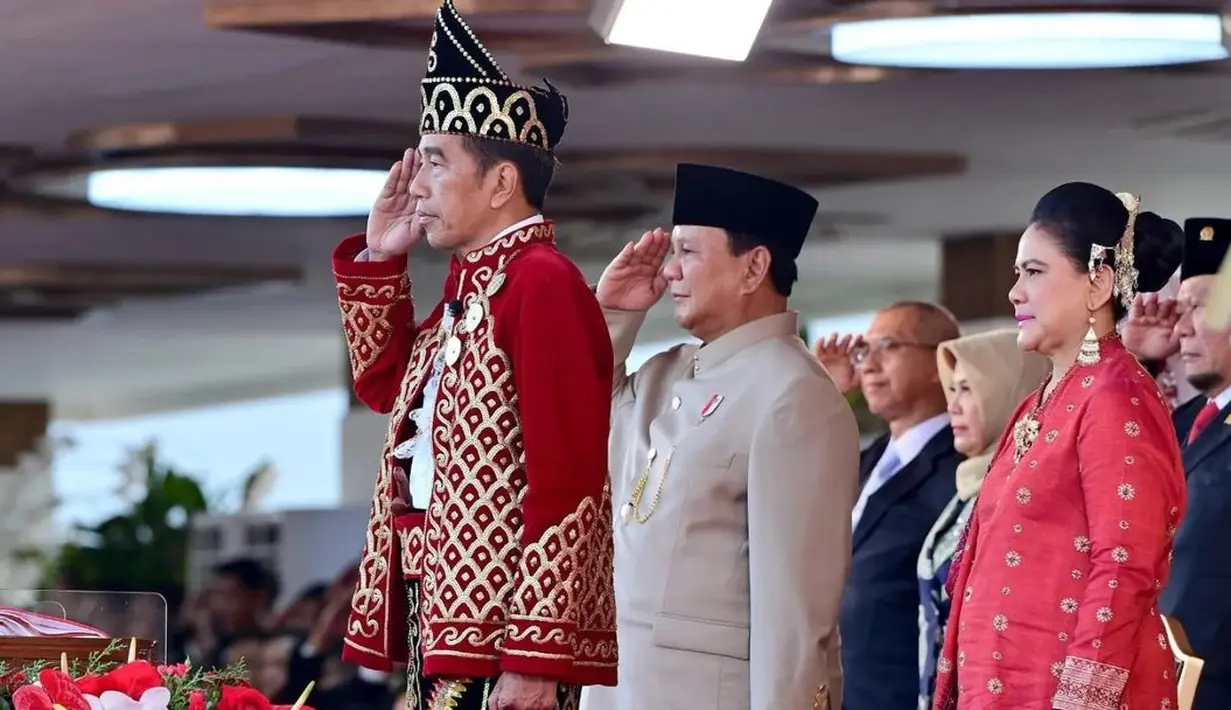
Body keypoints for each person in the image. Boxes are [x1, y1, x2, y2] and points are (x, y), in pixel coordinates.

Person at [330, 1, 617, 708]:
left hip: (502, 633)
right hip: (451, 613)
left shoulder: (541, 283)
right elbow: (385, 390)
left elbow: (570, 479)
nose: (415, 185)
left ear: (499, 183)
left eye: (434, 163)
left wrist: (536, 654)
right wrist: (380, 260)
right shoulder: (478, 284)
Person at [584, 163, 860, 710]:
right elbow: (576, 421)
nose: (670, 273)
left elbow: (794, 616)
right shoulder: (665, 372)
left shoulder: (793, 395)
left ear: (754, 267)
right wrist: (612, 315)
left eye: (687, 252)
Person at [933, 182, 1186, 709]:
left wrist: (1082, 701)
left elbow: (1124, 563)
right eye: (1016, 274)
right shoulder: (1039, 402)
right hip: (1002, 686)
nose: (1015, 293)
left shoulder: (1117, 396)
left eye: (1034, 272)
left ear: (1098, 283)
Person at [814, 301, 962, 710]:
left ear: (940, 361)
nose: (869, 364)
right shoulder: (866, 458)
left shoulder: (961, 471)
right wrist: (820, 395)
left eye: (889, 347)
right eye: (864, 351)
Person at [1122, 217, 1231, 710]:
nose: (1181, 326)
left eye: (1200, 308)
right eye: (1180, 308)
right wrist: (1137, 365)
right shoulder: (1180, 421)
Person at [916, 330, 1049, 709]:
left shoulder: (1021, 496)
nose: (953, 406)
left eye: (969, 389)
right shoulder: (970, 488)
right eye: (952, 390)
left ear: (1011, 391)